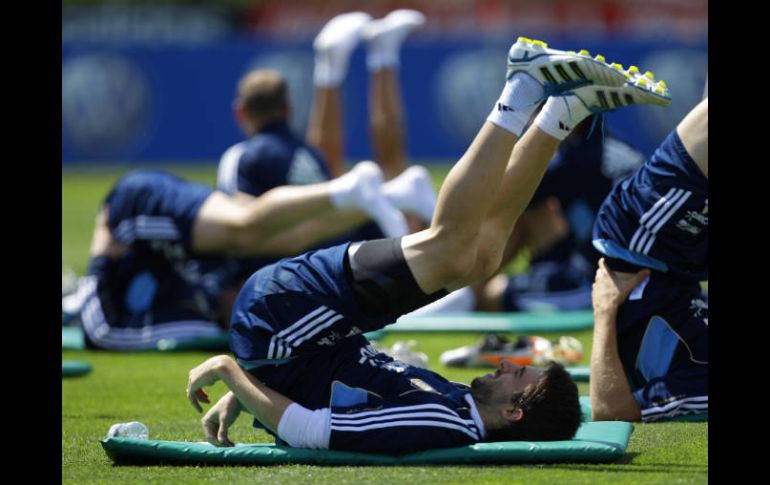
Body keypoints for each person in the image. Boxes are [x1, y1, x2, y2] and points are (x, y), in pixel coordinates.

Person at [186, 37, 671, 454]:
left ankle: (524, 88)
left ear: (513, 413)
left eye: (518, 376)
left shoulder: (439, 424)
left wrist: (236, 374)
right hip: (303, 330)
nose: (507, 363)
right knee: (480, 258)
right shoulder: (460, 410)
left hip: (280, 323)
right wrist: (257, 383)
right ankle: (563, 112)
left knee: (456, 252)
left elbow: (310, 431)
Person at [64, 162, 408, 350]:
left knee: (244, 226)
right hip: (171, 238)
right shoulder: (209, 309)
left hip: (132, 215)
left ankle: (347, 189)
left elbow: (102, 333)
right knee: (284, 239)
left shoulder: (127, 311)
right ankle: (393, 194)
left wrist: (99, 253)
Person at [589, 98, 708, 422]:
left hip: (646, 250)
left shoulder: (698, 382)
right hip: (678, 261)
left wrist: (604, 312)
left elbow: (610, 413)